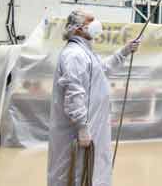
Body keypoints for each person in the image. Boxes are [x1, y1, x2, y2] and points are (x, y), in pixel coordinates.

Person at [47, 10, 140, 186]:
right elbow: (74, 93)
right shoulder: (74, 55)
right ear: (79, 28)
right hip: (77, 133)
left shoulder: (86, 53)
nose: (96, 24)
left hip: (94, 129)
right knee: (74, 175)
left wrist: (124, 52)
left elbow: (102, 70)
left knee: (91, 174)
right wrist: (82, 127)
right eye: (91, 21)